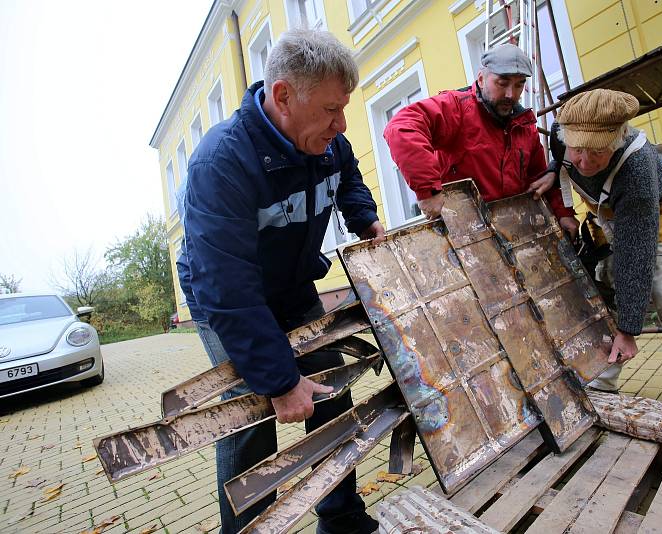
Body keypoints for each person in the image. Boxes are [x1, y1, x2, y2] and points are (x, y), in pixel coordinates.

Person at [177, 29, 384, 534]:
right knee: (252, 410)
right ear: (285, 95)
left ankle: (341, 520)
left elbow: (348, 175)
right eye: (333, 109)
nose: (343, 122)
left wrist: (366, 220)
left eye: (345, 108)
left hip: (291, 288)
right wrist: (281, 381)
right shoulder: (221, 162)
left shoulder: (324, 140)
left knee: (331, 386)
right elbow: (228, 290)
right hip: (224, 298)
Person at [540, 88, 662, 410]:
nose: (585, 162)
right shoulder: (560, 133)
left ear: (618, 138)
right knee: (605, 292)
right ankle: (602, 382)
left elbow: (636, 256)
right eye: (578, 150)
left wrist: (630, 330)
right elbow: (562, 157)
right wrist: (553, 171)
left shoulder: (638, 169)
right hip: (605, 211)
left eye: (598, 152)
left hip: (651, 211)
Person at [383, 43, 574, 226]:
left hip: (517, 233)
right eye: (502, 83)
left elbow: (539, 178)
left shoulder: (524, 126)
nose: (511, 94)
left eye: (518, 85)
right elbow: (401, 128)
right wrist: (428, 190)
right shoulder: (455, 108)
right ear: (481, 79)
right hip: (463, 236)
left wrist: (562, 213)